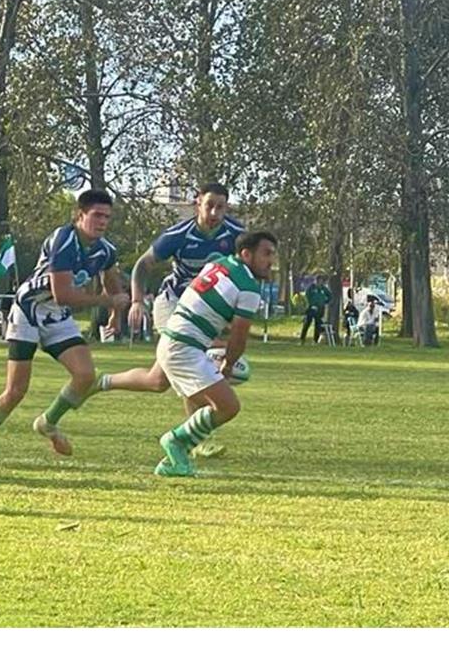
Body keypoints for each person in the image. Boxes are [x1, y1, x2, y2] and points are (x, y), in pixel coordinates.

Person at [0, 189, 128, 460]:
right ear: (79, 215)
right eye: (97, 215)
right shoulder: (64, 239)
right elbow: (64, 294)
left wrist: (115, 315)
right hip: (29, 309)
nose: (102, 222)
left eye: (107, 217)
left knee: (85, 375)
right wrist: (108, 301)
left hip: (57, 314)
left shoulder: (105, 249)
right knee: (16, 390)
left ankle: (48, 422)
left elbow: (110, 279)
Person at [91, 182, 244, 459]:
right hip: (172, 302)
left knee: (157, 380)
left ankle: (102, 382)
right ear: (197, 202)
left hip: (204, 308)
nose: (214, 212)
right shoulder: (179, 234)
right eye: (209, 205)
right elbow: (142, 265)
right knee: (191, 359)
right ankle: (194, 440)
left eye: (220, 207)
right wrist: (137, 301)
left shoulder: (236, 235)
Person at [154, 231, 278, 477]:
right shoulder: (248, 287)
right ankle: (176, 442)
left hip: (177, 341)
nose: (271, 261)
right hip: (183, 347)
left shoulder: (218, 264)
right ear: (246, 254)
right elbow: (239, 335)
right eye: (266, 254)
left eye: (272, 254)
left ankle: (172, 462)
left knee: (211, 404)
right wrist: (228, 364)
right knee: (227, 406)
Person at [300, 278, 332, 344]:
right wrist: (311, 303)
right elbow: (307, 295)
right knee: (307, 323)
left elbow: (330, 296)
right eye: (318, 281)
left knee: (318, 324)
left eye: (321, 281)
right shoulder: (311, 287)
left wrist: (325, 302)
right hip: (312, 308)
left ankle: (315, 340)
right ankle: (302, 339)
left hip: (320, 309)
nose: (320, 283)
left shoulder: (323, 289)